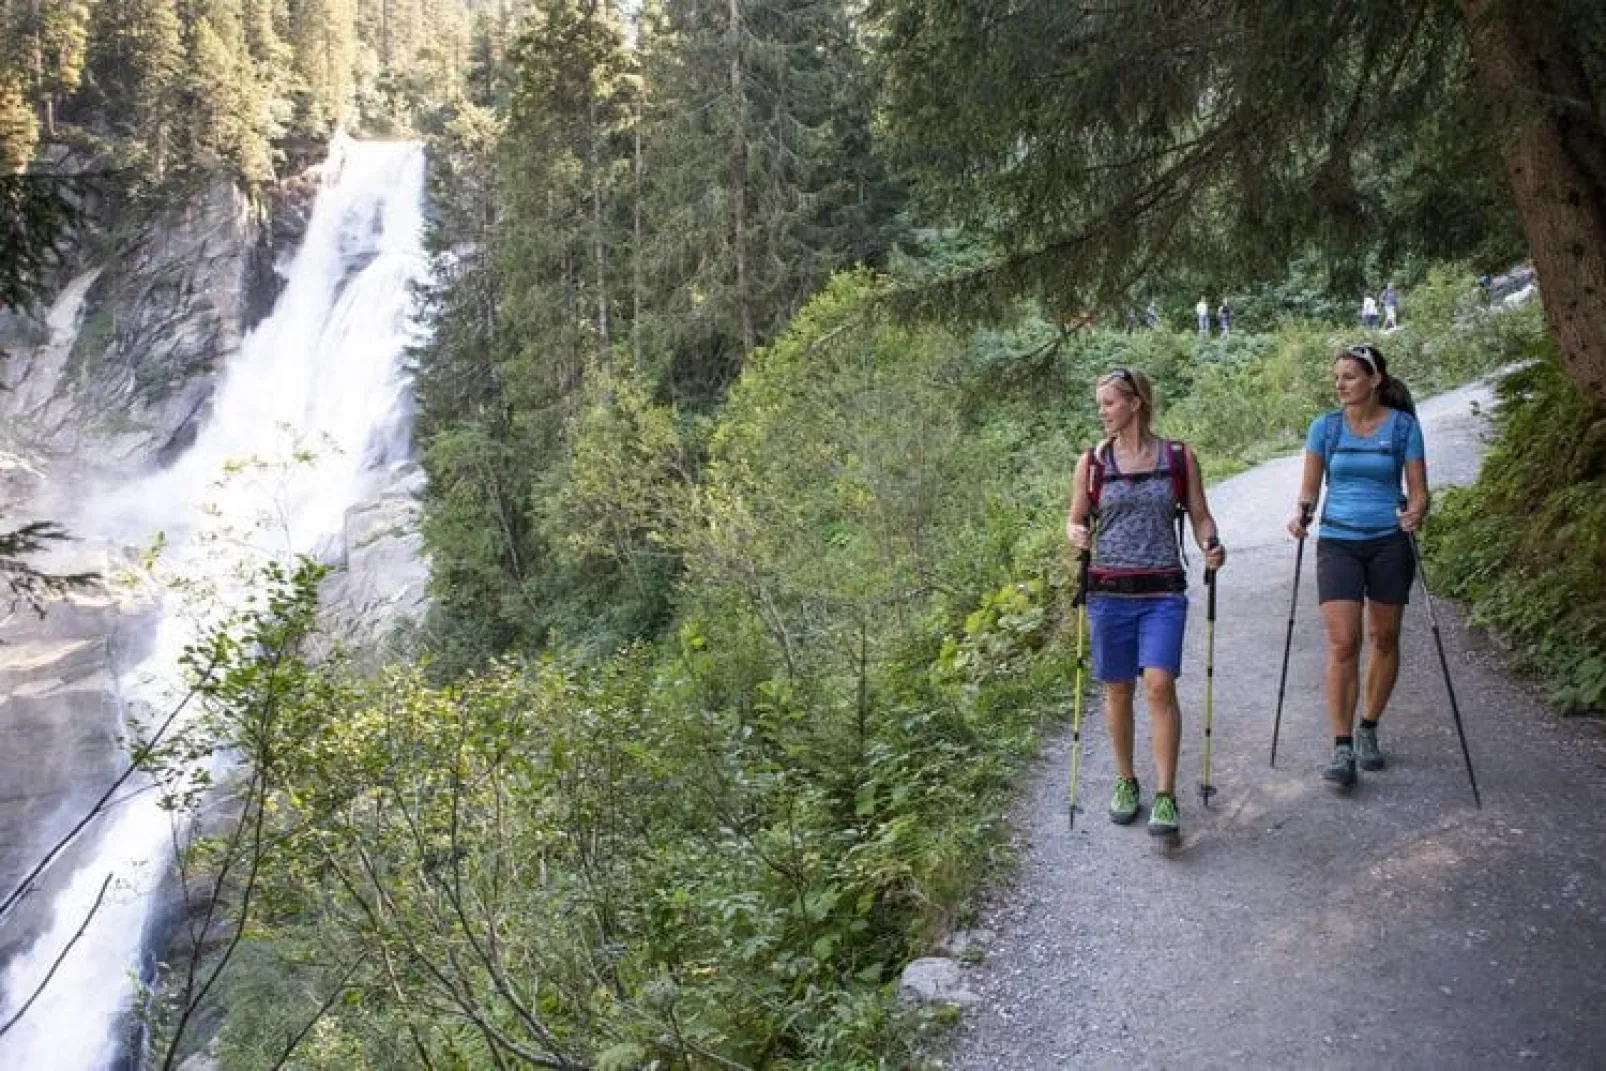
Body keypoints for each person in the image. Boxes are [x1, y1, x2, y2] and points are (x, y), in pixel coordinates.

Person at [1066, 368, 1227, 836]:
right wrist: (1075, 532)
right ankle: (1126, 782)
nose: (1103, 412)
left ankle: (1165, 794)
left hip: (1162, 590)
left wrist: (1211, 543)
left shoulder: (1178, 457)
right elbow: (1075, 520)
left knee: (1159, 684)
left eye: (1110, 403)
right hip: (1109, 592)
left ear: (1136, 403)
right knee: (1118, 689)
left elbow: (1200, 516)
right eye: (1100, 404)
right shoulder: (1092, 464)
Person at [1286, 342, 1427, 787]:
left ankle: (1369, 729)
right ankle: (1342, 746)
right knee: (1344, 642)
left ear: (1374, 380)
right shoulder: (1325, 429)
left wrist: (1417, 511)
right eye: (1337, 378)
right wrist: (1301, 513)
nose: (1340, 385)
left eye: (1349, 376)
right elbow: (1309, 489)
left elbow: (1420, 491)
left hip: (1389, 540)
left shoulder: (1403, 427)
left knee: (1384, 638)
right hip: (1338, 541)